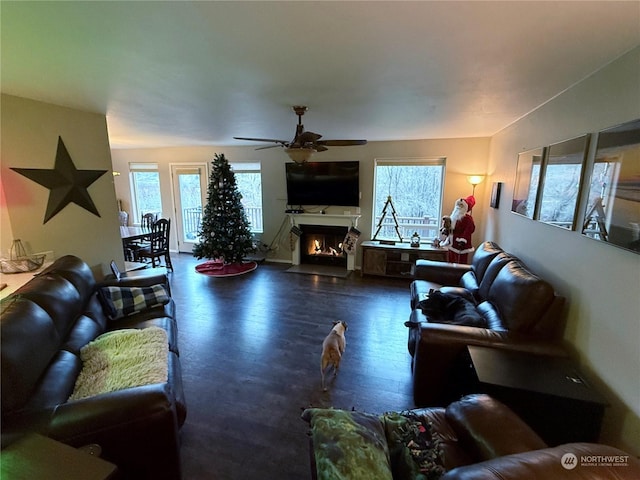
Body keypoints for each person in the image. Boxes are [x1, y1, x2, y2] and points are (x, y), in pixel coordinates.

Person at [448, 195, 475, 263]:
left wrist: (463, 240)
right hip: (452, 244)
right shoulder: (454, 217)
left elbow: (469, 230)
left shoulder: (467, 219)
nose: (459, 207)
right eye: (458, 205)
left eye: (461, 205)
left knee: (460, 263)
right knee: (450, 262)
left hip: (460, 245)